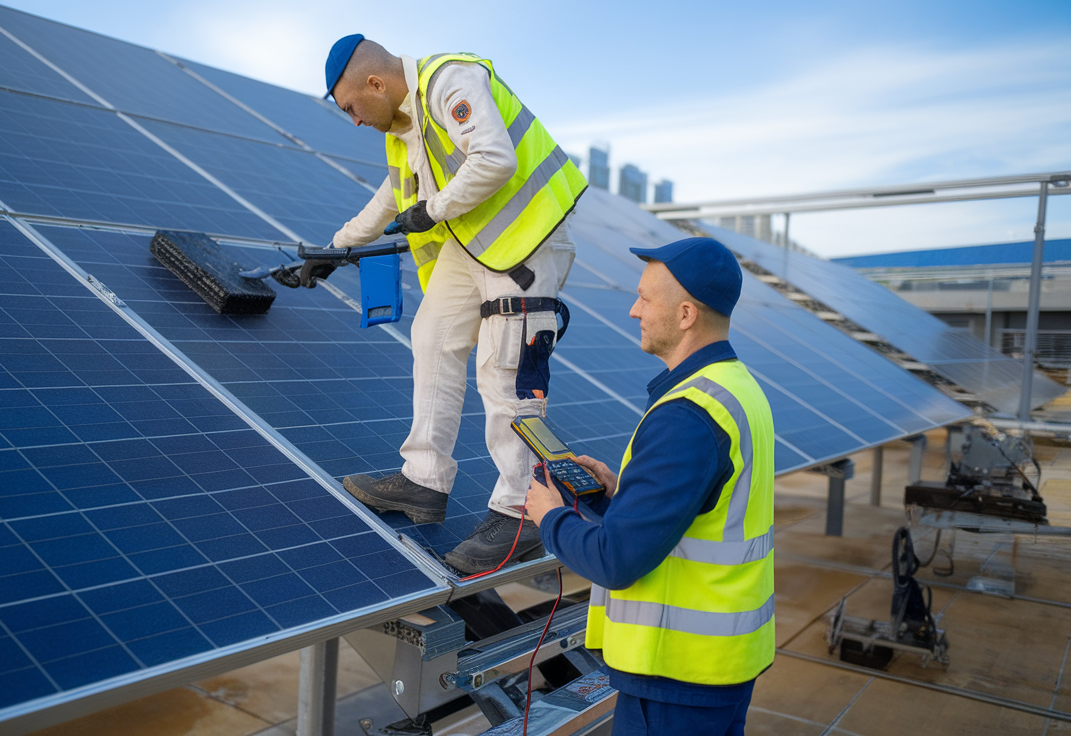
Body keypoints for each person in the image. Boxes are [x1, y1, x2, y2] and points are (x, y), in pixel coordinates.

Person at [321, 34, 588, 573]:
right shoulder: (405, 127)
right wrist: (338, 245)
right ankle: (423, 479)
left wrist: (433, 209)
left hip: (526, 241)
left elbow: (494, 158)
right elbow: (392, 196)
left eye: (351, 107)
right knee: (433, 337)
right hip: (474, 246)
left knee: (504, 372)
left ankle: (523, 512)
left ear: (375, 82)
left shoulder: (449, 81)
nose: (353, 120)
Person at [525, 237, 775, 735]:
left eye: (645, 298)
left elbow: (615, 559)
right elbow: (705, 510)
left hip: (677, 677)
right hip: (718, 666)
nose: (634, 310)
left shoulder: (688, 415)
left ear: (686, 315)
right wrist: (621, 496)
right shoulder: (735, 386)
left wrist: (550, 516)